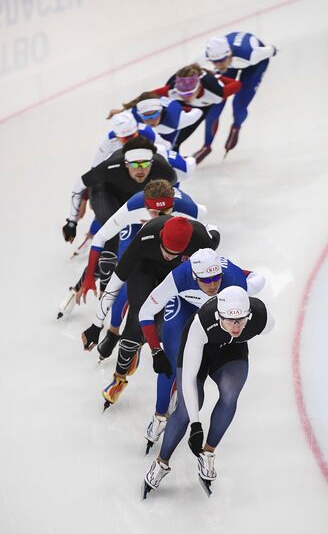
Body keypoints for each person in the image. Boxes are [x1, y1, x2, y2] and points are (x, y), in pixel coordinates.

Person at [143, 286, 273, 498]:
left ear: (249, 314)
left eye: (241, 319)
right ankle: (161, 462)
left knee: (231, 394)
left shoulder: (260, 316)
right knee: (188, 410)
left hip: (231, 353)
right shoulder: (202, 322)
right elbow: (188, 379)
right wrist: (196, 425)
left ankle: (208, 453)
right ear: (218, 314)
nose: (236, 326)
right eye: (230, 320)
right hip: (199, 350)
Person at [81, 216, 220, 410]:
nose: (169, 256)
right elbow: (115, 284)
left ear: (188, 244)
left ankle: (142, 343)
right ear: (161, 237)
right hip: (145, 268)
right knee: (135, 323)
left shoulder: (204, 242)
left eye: (175, 253)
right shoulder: (145, 238)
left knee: (173, 323)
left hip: (178, 275)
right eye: (166, 250)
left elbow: (212, 229)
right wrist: (97, 325)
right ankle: (119, 377)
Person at [139, 248, 265, 451]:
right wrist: (155, 350)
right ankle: (160, 415)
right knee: (171, 359)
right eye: (206, 280)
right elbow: (146, 311)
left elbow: (257, 280)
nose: (213, 285)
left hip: (215, 317)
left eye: (216, 278)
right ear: (194, 275)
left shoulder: (234, 282)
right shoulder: (179, 277)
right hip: (186, 308)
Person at [78, 180, 207, 362]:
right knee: (126, 281)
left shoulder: (189, 211)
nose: (160, 217)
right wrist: (96, 323)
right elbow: (100, 238)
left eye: (165, 212)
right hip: (142, 237)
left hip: (171, 243)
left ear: (173, 206)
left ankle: (134, 334)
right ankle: (113, 330)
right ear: (145, 205)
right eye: (154, 212)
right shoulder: (132, 208)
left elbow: (203, 220)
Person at [58, 137, 177, 318]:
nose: (140, 170)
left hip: (141, 199)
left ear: (152, 162)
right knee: (112, 236)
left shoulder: (165, 172)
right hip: (106, 193)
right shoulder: (110, 167)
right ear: (125, 163)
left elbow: (173, 197)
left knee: (141, 239)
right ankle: (88, 282)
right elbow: (79, 185)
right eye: (134, 165)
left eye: (145, 164)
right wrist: (72, 221)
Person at [193, 32, 277, 163]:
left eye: (221, 61)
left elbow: (272, 49)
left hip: (254, 65)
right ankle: (206, 146)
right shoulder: (204, 57)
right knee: (214, 106)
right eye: (214, 62)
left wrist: (272, 50)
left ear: (229, 54)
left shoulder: (252, 55)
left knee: (239, 105)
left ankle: (236, 126)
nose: (218, 65)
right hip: (232, 63)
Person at [153, 63, 242, 153]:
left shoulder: (215, 91)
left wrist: (218, 77)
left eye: (188, 93)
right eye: (181, 93)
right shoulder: (171, 89)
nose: (185, 97)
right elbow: (148, 96)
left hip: (202, 107)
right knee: (169, 136)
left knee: (180, 137)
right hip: (179, 104)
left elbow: (237, 84)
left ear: (199, 88)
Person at [109, 92, 203, 150]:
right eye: (145, 116)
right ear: (139, 114)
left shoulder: (176, 120)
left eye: (154, 115)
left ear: (161, 111)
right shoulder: (132, 115)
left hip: (170, 129)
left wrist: (188, 104)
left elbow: (199, 111)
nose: (151, 120)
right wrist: (120, 112)